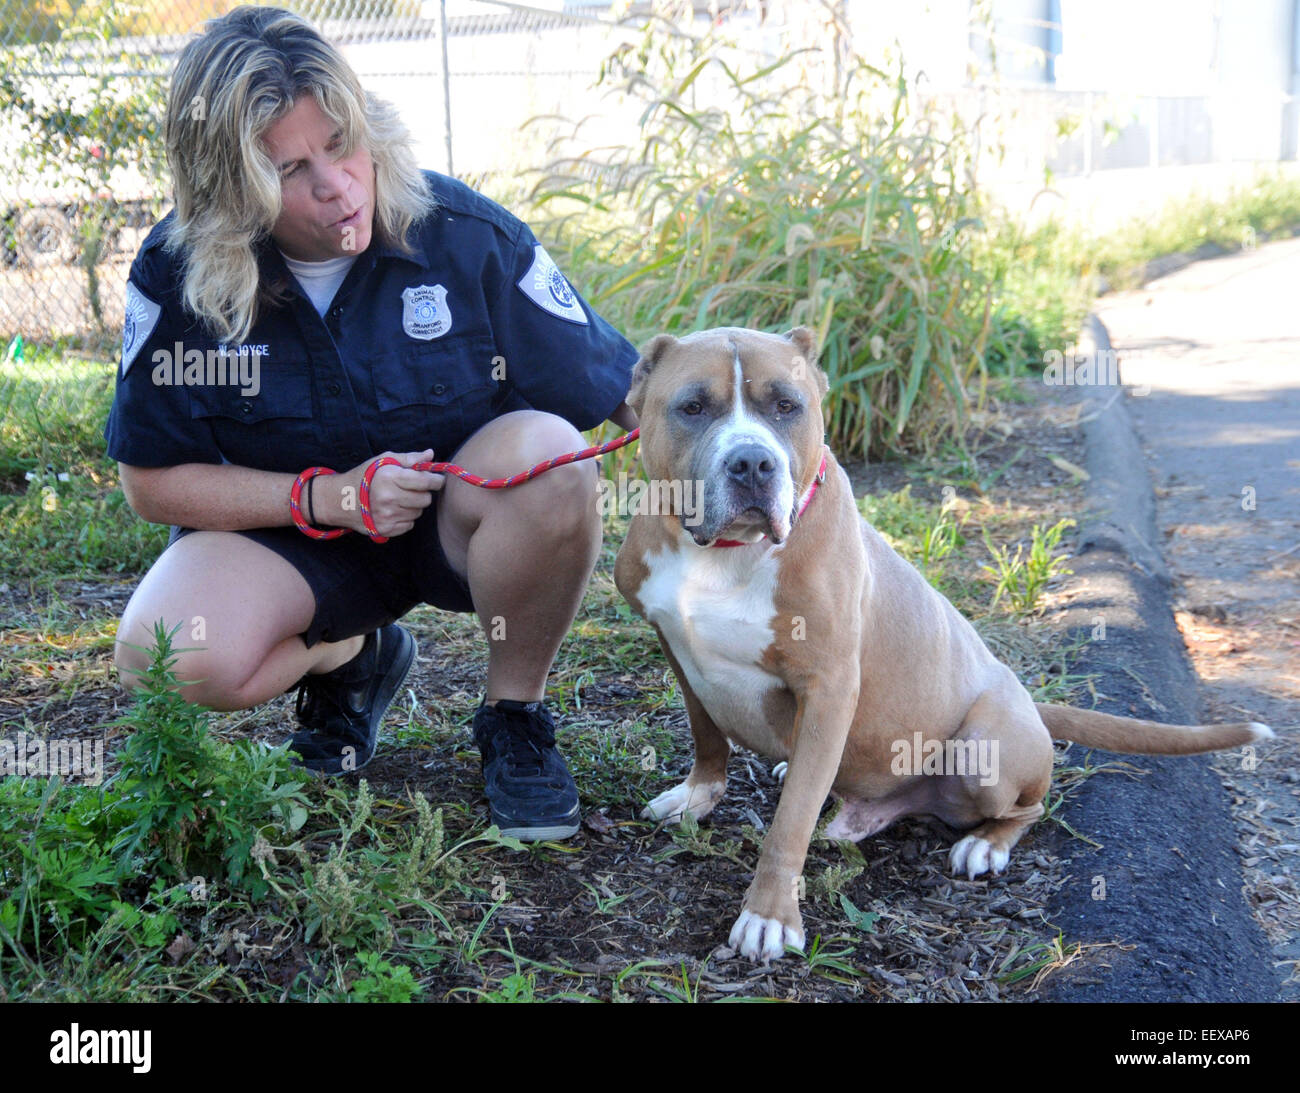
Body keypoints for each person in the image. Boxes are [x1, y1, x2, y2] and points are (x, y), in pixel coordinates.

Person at [105, 5, 639, 842]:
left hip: (457, 529)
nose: (337, 185)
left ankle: (515, 716)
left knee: (554, 457)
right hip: (297, 541)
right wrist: (331, 499)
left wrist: (750, 448)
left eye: (343, 144)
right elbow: (151, 481)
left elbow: (615, 384)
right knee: (166, 652)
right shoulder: (176, 275)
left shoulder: (464, 234)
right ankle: (352, 656)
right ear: (229, 188)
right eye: (289, 169)